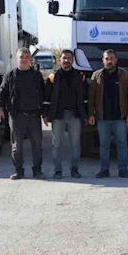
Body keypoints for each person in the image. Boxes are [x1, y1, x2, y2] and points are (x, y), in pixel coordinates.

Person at [0, 48, 47, 180]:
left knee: (37, 145)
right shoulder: (10, 75)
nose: (24, 59)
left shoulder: (36, 75)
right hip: (16, 116)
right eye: (21, 57)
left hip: (34, 115)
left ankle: (37, 170)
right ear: (17, 59)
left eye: (26, 57)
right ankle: (19, 171)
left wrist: (45, 113)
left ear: (30, 59)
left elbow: (43, 94)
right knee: (16, 146)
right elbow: (2, 93)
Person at [89, 49, 128, 178]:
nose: (109, 61)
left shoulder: (124, 75)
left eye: (112, 58)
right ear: (103, 60)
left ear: (116, 60)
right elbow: (91, 97)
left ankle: (123, 169)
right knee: (104, 145)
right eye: (107, 59)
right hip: (102, 117)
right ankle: (104, 170)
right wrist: (91, 114)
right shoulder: (96, 75)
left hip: (120, 117)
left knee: (122, 144)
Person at [44, 49, 87, 179]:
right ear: (60, 60)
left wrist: (87, 115)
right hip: (58, 116)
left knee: (75, 145)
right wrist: (45, 115)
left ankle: (74, 170)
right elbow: (46, 98)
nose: (66, 60)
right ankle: (58, 171)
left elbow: (85, 97)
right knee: (56, 145)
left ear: (73, 60)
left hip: (75, 116)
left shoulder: (80, 76)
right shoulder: (52, 77)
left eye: (69, 58)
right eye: (64, 58)